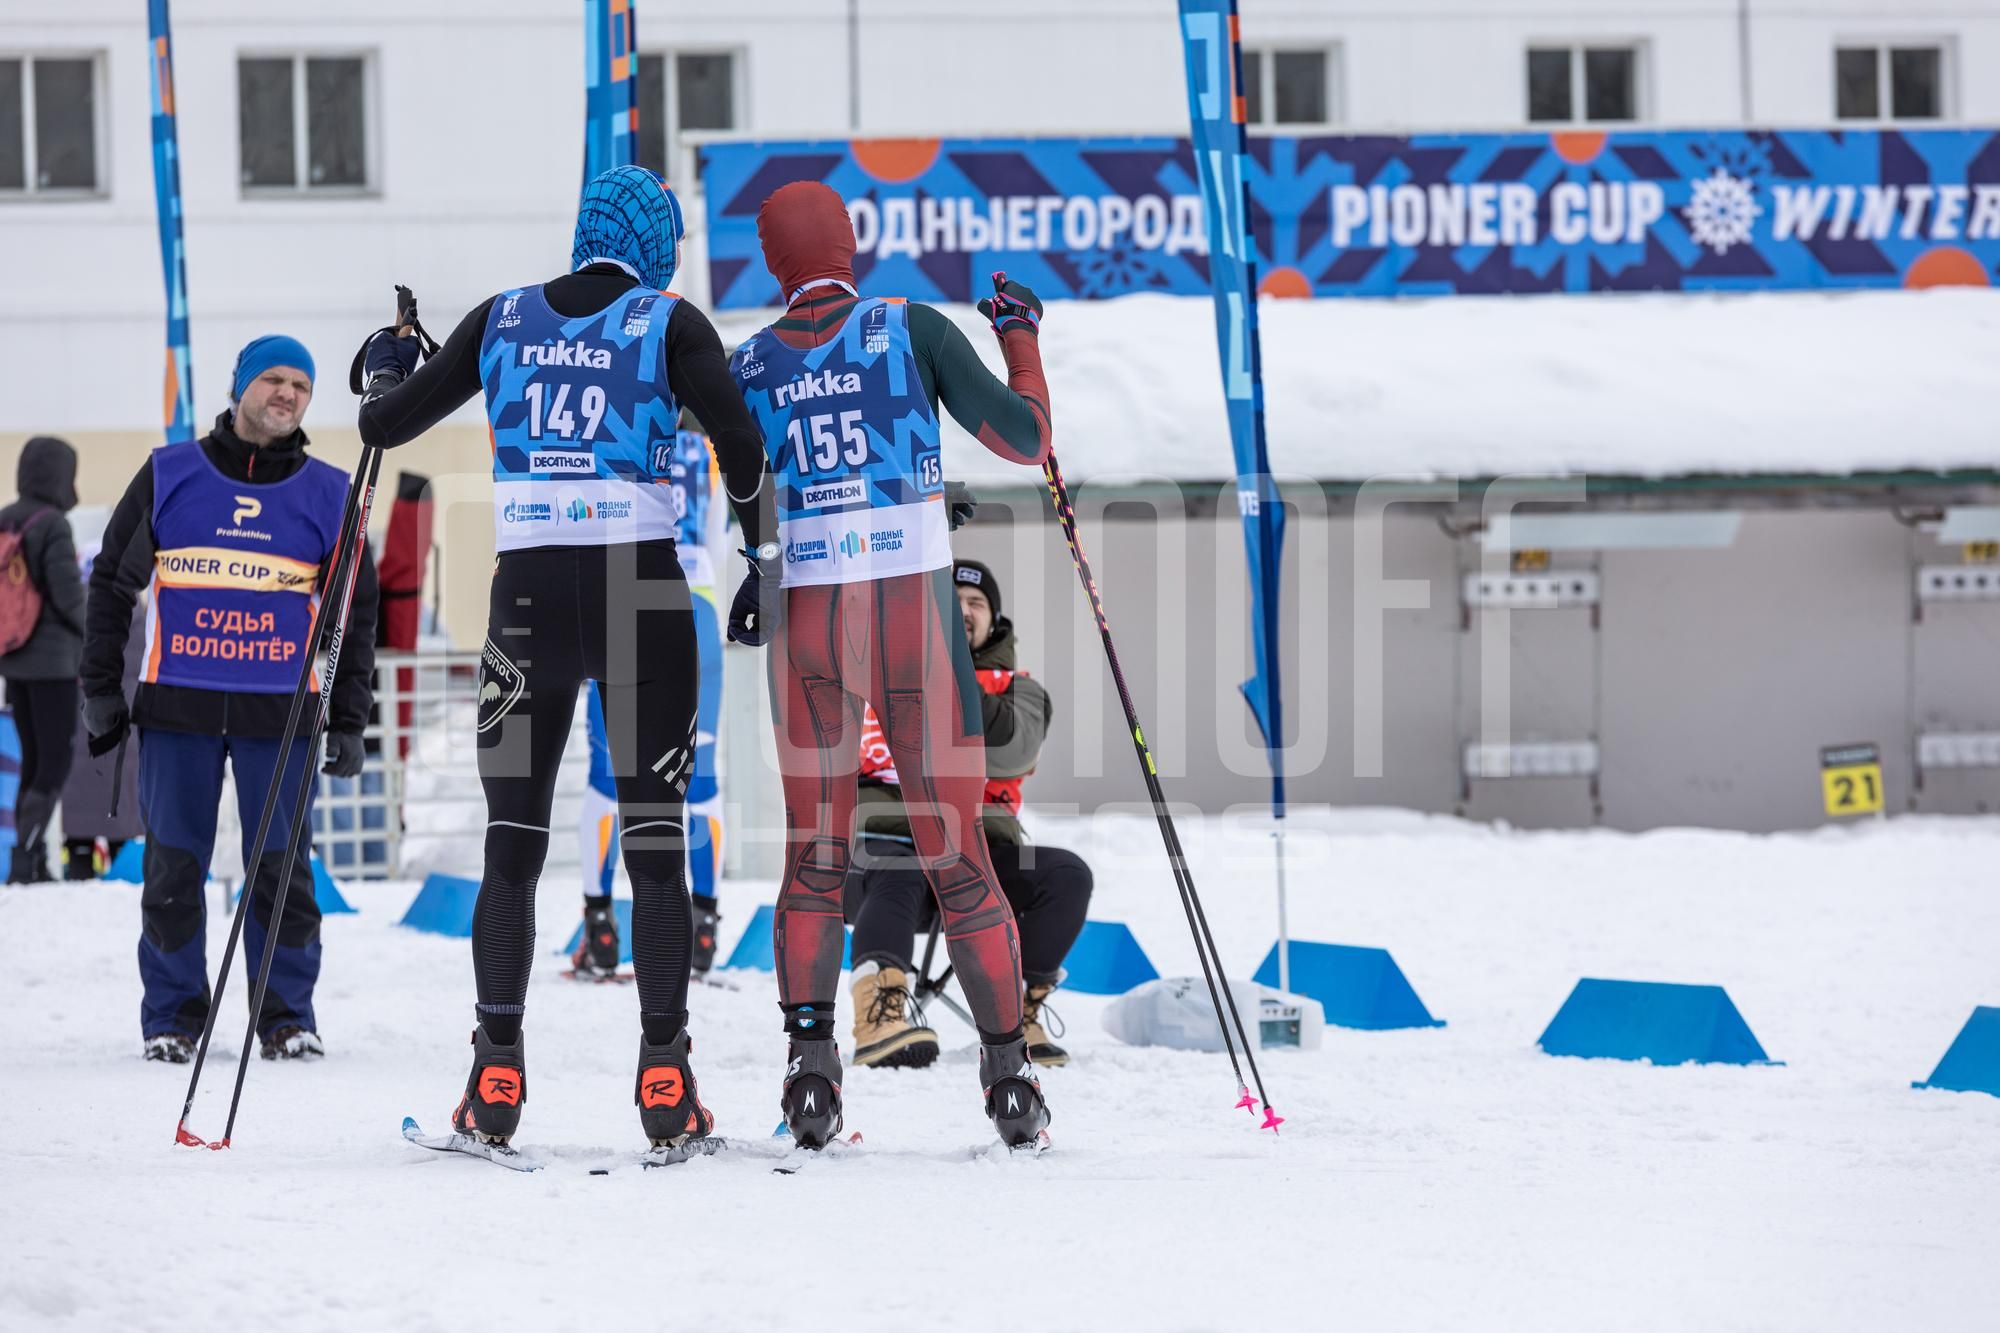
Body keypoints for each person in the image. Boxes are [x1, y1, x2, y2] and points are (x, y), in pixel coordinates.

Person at [356, 165, 775, 1151]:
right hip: (642, 592)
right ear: (651, 241)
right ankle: (665, 1079)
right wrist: (756, 554)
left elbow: (385, 423)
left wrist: (385, 361)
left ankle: (495, 1075)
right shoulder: (668, 322)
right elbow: (743, 447)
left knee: (513, 842)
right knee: (655, 845)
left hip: (529, 599)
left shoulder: (501, 317)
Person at [726, 179, 1057, 1149]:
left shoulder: (746, 360)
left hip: (810, 616)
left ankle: (810, 1069)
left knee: (813, 858)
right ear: (848, 244)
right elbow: (1026, 437)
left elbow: (749, 498)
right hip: (911, 609)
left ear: (773, 258)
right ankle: (1008, 1076)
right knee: (957, 851)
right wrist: (1020, 337)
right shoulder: (905, 324)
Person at [83, 337, 377, 1063]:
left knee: (281, 869)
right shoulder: (169, 473)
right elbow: (111, 586)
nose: (287, 394)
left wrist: (349, 715)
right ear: (241, 385)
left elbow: (353, 612)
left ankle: (284, 1015)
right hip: (177, 705)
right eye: (273, 380)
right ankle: (173, 1017)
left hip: (279, 717)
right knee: (174, 866)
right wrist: (99, 690)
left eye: (301, 385)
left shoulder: (329, 492)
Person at [845, 558, 1094, 1070]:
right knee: (901, 866)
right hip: (885, 851)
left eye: (974, 603)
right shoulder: (872, 676)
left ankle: (1019, 1007)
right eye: (948, 601)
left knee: (1065, 874)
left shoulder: (1020, 692)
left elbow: (1008, 753)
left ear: (993, 619)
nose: (961, 610)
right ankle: (880, 1012)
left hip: (979, 854)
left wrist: (948, 666)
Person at [570, 425, 728, 982]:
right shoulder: (705, 448)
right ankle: (704, 925)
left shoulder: (608, 428)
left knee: (604, 775)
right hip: (698, 603)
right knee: (701, 775)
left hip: (621, 592)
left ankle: (600, 925)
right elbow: (715, 534)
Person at [0, 436, 86, 883]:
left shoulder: (5, 520)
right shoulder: (51, 523)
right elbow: (68, 596)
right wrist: (97, 633)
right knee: (54, 761)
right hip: (54, 666)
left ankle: (27, 858)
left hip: (12, 661)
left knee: (33, 759)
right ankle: (27, 857)